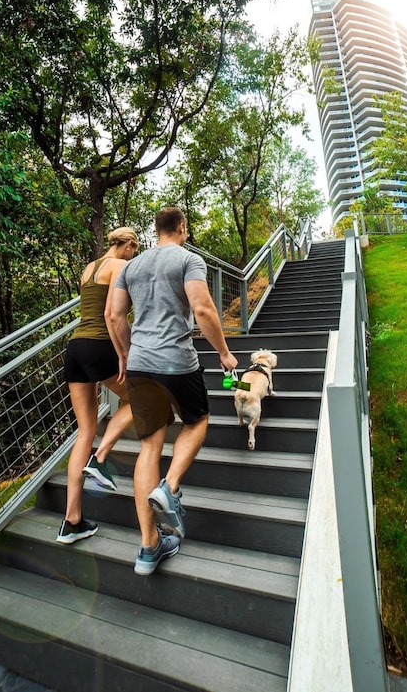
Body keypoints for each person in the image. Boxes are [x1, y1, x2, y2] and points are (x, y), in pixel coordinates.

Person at [109, 207, 238, 575]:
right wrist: (225, 354)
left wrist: (128, 353)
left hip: (140, 364)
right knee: (197, 420)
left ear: (155, 230)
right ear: (181, 228)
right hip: (177, 361)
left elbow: (116, 316)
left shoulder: (131, 267)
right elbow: (202, 308)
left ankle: (148, 548)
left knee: (149, 445)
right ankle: (171, 486)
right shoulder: (188, 259)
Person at [56, 226, 140, 544]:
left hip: (75, 348)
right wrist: (124, 353)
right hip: (100, 345)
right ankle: (100, 459)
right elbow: (112, 315)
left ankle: (72, 521)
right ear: (129, 245)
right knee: (141, 400)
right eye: (135, 249)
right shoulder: (122, 266)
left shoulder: (89, 269)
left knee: (85, 430)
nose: (135, 255)